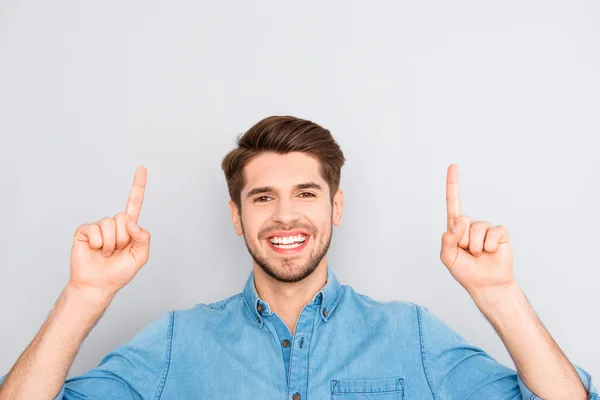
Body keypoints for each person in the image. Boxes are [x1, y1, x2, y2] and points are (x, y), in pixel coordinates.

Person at [0, 116, 596, 400]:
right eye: (263, 198)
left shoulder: (410, 334)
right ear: (238, 218)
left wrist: (499, 296)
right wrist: (85, 296)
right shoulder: (179, 343)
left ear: (336, 208)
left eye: (306, 194)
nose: (285, 217)